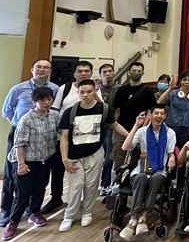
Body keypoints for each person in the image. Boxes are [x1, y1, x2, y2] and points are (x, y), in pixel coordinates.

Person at [58, 80, 130, 231]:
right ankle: (69, 216)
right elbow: (64, 137)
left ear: (94, 92)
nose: (85, 95)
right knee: (76, 186)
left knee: (91, 186)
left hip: (95, 153)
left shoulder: (103, 109)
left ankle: (87, 212)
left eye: (89, 92)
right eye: (82, 92)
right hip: (74, 155)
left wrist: (131, 137)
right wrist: (64, 158)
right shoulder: (69, 112)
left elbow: (115, 125)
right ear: (78, 93)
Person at [0, 59, 58, 227]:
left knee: (39, 175)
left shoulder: (54, 88)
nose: (42, 70)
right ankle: (6, 210)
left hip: (43, 135)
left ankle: (32, 210)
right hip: (19, 132)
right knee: (11, 174)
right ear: (32, 69)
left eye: (46, 67)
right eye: (38, 66)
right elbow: (7, 111)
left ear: (50, 71)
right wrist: (18, 125)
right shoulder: (18, 89)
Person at [45, 60, 102, 214]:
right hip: (64, 137)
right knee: (58, 169)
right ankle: (56, 197)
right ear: (74, 74)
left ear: (91, 73)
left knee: (83, 176)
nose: (83, 73)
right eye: (80, 71)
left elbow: (102, 109)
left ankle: (83, 204)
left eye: (86, 71)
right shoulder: (65, 89)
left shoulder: (95, 90)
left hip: (86, 139)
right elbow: (55, 110)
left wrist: (96, 93)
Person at [119, 106, 176, 241]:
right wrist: (136, 125)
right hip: (141, 169)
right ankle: (133, 219)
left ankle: (143, 217)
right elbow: (125, 147)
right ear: (150, 115)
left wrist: (172, 157)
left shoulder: (170, 133)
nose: (159, 116)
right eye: (156, 113)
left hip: (159, 170)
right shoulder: (142, 131)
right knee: (141, 177)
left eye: (162, 114)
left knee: (157, 178)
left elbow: (170, 152)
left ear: (165, 117)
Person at [157, 70, 189, 188]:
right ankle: (166, 184)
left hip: (186, 130)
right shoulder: (173, 94)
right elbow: (160, 102)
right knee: (168, 155)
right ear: (180, 81)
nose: (186, 82)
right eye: (184, 80)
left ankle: (180, 185)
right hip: (171, 129)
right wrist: (170, 89)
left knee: (182, 158)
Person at [112, 62, 156, 170]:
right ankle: (117, 179)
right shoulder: (122, 90)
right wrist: (115, 128)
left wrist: (143, 127)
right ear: (128, 72)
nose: (136, 73)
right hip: (121, 129)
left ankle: (133, 179)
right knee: (118, 158)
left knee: (137, 158)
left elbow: (149, 112)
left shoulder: (147, 91)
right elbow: (117, 111)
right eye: (134, 71)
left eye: (139, 71)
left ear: (143, 73)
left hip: (139, 130)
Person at [99, 63, 121, 196]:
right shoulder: (96, 88)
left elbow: (118, 109)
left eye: (110, 71)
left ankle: (105, 184)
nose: (107, 74)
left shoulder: (119, 89)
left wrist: (114, 125)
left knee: (108, 157)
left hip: (110, 126)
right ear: (100, 74)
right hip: (95, 126)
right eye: (104, 72)